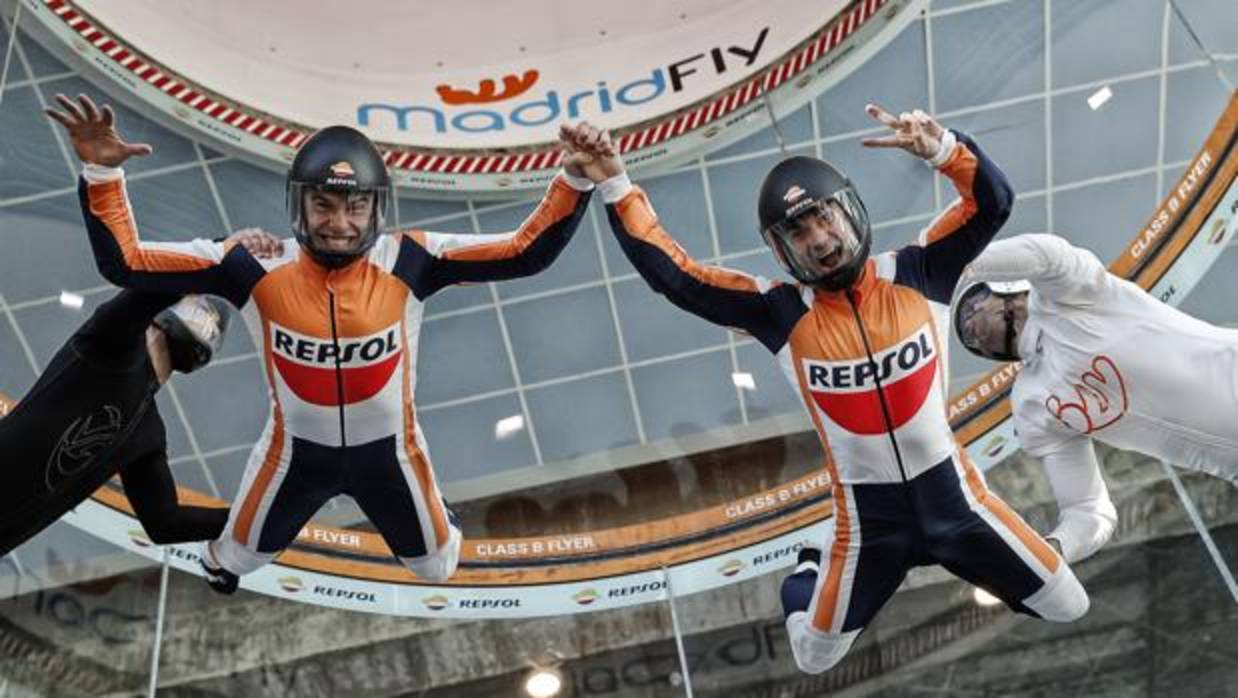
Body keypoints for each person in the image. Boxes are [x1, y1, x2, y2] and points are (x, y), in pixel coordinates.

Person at [560, 104, 1087, 675]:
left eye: (823, 218)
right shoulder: (778, 311)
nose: (818, 240)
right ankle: (808, 563)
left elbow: (993, 203)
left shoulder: (919, 269)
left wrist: (942, 149)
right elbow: (676, 277)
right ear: (781, 251)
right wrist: (615, 182)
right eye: (798, 232)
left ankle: (1023, 558)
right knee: (813, 657)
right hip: (869, 527)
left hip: (959, 506)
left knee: (1069, 605)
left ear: (849, 213)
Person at [47, 93, 595, 594]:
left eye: (355, 207)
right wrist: (102, 172)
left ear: (377, 209)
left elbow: (524, 253)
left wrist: (573, 179)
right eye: (324, 206)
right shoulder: (251, 263)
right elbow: (126, 263)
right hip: (292, 456)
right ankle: (222, 561)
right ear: (299, 206)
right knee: (235, 558)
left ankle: (435, 511)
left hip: (390, 454)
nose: (339, 223)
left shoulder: (412, 258)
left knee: (436, 567)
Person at [954, 232, 1238, 563]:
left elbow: (1047, 255)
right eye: (965, 336)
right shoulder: (1032, 405)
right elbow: (1087, 511)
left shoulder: (1076, 296)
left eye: (973, 304)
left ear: (1010, 290)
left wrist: (951, 261)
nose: (967, 325)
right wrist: (1054, 550)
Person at [0, 281, 247, 555]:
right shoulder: (111, 346)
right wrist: (211, 266)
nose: (207, 322)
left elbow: (166, 522)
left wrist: (256, 522)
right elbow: (140, 298)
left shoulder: (149, 434)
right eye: (200, 311)